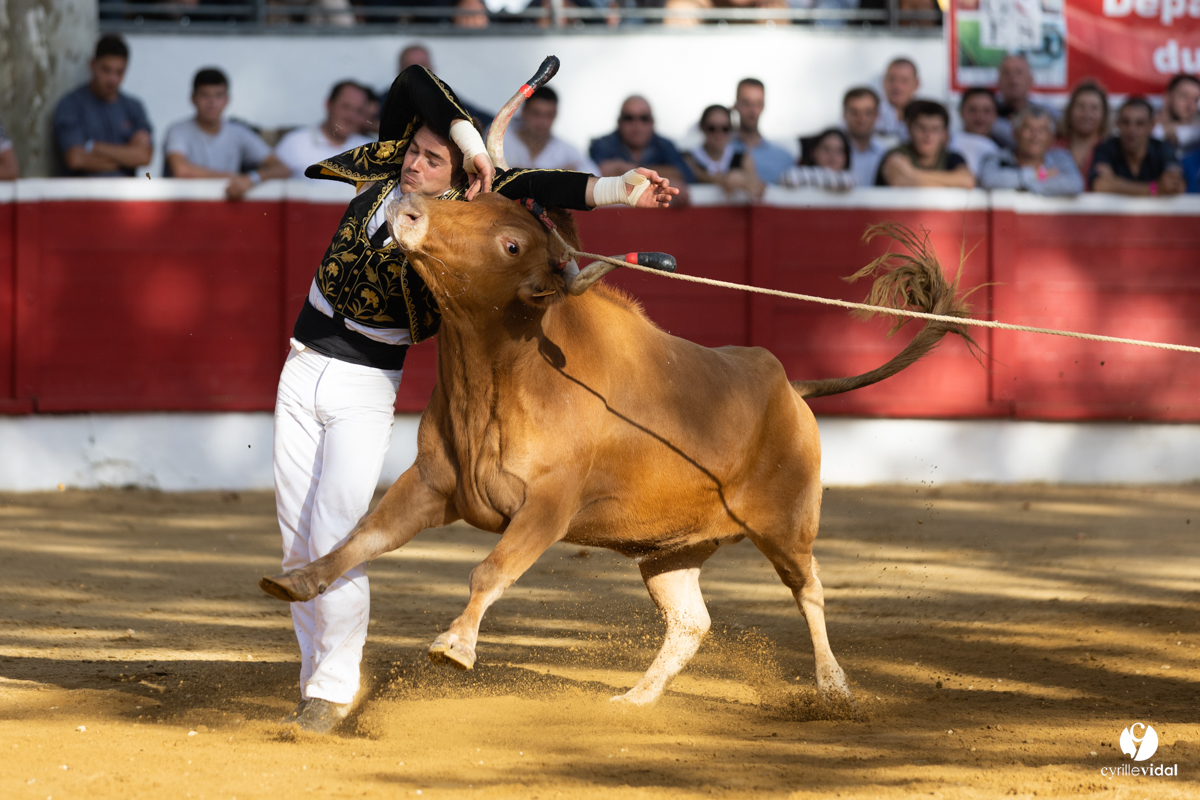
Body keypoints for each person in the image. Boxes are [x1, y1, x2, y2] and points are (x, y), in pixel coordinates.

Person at [273, 64, 680, 735]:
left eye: (429, 160)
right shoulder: (391, 167)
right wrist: (464, 138)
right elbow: (411, 81)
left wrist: (620, 188)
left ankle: (332, 687)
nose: (412, 163)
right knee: (296, 539)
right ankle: (312, 673)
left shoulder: (461, 225)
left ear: (459, 185)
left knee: (337, 529)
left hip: (364, 380)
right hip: (301, 361)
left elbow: (544, 187)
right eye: (412, 151)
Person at [164, 68, 290, 200]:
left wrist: (252, 179)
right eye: (204, 95)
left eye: (218, 95)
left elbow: (282, 168)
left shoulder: (239, 132)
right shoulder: (178, 131)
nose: (212, 102)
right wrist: (237, 179)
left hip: (229, 210)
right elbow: (182, 171)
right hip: (189, 209)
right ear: (193, 98)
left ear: (227, 99)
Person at [53, 34, 152, 177]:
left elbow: (144, 157)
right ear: (92, 65)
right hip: (85, 195)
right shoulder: (71, 104)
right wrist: (127, 157)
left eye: (119, 72)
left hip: (125, 195)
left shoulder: (134, 107)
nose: (113, 79)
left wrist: (94, 146)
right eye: (106, 70)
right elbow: (76, 159)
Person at [589, 96, 695, 189]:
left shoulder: (664, 145)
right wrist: (662, 179)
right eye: (629, 118)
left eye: (644, 118)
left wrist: (626, 169)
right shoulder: (602, 145)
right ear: (619, 122)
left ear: (652, 122)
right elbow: (596, 177)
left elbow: (685, 175)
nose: (637, 124)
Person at [274, 81, 374, 178]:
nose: (350, 116)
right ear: (329, 104)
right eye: (345, 107)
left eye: (358, 111)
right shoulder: (295, 143)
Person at [1090, 97, 1185, 196]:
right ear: (1117, 123)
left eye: (1140, 123)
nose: (1132, 130)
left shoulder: (1164, 149)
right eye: (1126, 122)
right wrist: (1154, 188)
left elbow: (1176, 186)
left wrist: (1117, 185)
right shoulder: (1106, 148)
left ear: (1151, 126)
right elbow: (1101, 185)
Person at [977, 108, 1082, 196]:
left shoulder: (1061, 157)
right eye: (1028, 128)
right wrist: (1038, 175)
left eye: (1042, 130)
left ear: (1051, 137)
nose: (1035, 135)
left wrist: (1023, 186)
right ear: (1015, 133)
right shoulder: (997, 157)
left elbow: (1074, 185)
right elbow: (989, 180)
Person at [876, 100, 974, 188]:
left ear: (945, 134)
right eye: (921, 128)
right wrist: (951, 182)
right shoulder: (896, 153)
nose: (928, 135)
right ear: (910, 129)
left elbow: (967, 181)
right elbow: (899, 180)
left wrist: (912, 174)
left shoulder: (953, 157)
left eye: (935, 129)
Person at [502, 86, 598, 174]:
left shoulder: (567, 151)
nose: (542, 121)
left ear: (556, 115)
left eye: (549, 115)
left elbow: (594, 176)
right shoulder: (501, 139)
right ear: (523, 111)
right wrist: (559, 174)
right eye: (536, 113)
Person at [398, 44, 493, 130]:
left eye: (423, 65)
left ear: (432, 69)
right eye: (409, 66)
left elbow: (489, 123)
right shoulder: (385, 102)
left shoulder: (448, 98)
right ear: (399, 71)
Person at [682, 104, 763, 199]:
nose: (718, 134)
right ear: (703, 128)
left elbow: (758, 187)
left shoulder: (742, 158)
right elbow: (699, 175)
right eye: (712, 128)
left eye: (725, 128)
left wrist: (744, 179)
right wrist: (728, 179)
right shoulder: (688, 158)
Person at [731, 78, 793, 186]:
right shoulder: (717, 152)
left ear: (764, 106)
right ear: (736, 105)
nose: (752, 110)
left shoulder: (784, 158)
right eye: (746, 103)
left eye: (758, 104)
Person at [992, 54, 1059, 150]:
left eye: (1019, 73)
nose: (1013, 80)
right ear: (998, 81)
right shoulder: (987, 114)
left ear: (1030, 80)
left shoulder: (1048, 113)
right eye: (1006, 73)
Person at [1055, 81, 1109, 179]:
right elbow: (1038, 175)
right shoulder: (1053, 145)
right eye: (1081, 106)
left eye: (1094, 108)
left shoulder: (1111, 151)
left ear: (1104, 115)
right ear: (1070, 110)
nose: (1087, 114)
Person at [841, 87, 888, 189]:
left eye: (868, 113)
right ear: (844, 114)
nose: (861, 118)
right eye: (854, 112)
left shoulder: (886, 153)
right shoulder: (829, 150)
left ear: (877, 115)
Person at [779, 128, 855, 191]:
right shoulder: (795, 172)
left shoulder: (852, 178)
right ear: (813, 152)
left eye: (839, 151)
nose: (832, 155)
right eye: (826, 149)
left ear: (846, 156)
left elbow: (846, 182)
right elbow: (788, 179)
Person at [950, 87, 1001, 176]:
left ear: (995, 114)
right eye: (973, 110)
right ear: (961, 111)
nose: (980, 116)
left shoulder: (1004, 148)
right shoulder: (947, 142)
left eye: (986, 111)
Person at [1153, 74, 1200, 157]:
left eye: (1195, 100)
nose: (1190, 106)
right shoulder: (1141, 129)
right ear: (1167, 97)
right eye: (1184, 96)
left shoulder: (1195, 134)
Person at [876, 58, 920, 142]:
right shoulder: (871, 114)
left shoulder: (928, 115)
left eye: (904, 81)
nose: (897, 86)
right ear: (883, 82)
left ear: (916, 84)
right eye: (891, 79)